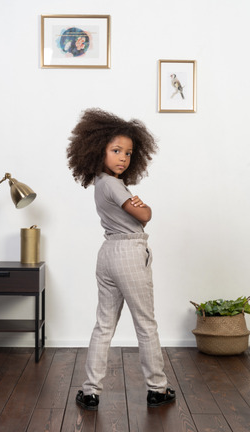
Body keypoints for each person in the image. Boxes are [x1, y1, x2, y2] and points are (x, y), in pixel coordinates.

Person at [66, 108, 175, 410]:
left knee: (103, 324)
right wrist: (145, 208)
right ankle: (157, 388)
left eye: (127, 153)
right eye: (116, 150)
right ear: (96, 149)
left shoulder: (101, 183)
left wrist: (137, 206)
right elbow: (144, 215)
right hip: (128, 251)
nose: (123, 158)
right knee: (146, 323)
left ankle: (90, 391)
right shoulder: (115, 185)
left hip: (108, 254)